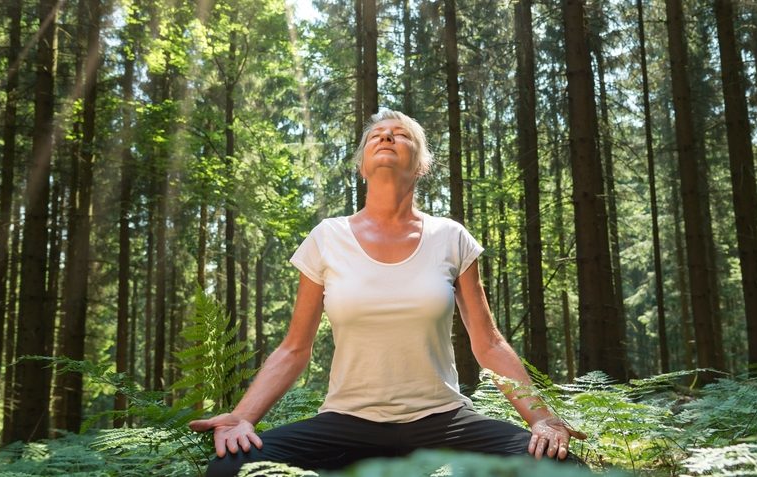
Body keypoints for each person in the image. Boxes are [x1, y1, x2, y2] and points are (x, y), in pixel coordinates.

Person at [189, 110, 586, 476]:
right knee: (228, 469)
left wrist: (541, 418)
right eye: (376, 135)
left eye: (401, 135)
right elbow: (295, 348)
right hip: (347, 422)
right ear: (363, 166)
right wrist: (243, 416)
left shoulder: (450, 236)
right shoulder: (328, 237)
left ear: (421, 165)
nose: (387, 137)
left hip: (443, 419)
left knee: (565, 468)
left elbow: (489, 344)